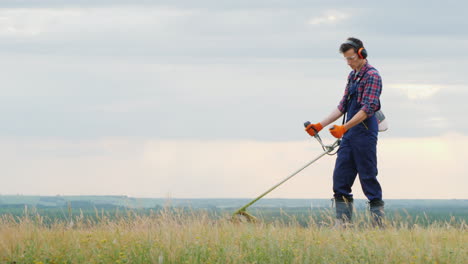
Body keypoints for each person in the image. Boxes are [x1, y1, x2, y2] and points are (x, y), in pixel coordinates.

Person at [305, 37, 385, 227]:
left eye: (351, 58)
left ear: (361, 54)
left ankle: (377, 225)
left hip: (365, 134)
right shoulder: (352, 76)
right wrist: (320, 125)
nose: (349, 63)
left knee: (368, 178)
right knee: (340, 178)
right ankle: (343, 224)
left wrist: (344, 127)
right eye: (346, 60)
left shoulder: (372, 76)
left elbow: (368, 108)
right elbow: (342, 107)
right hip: (348, 135)